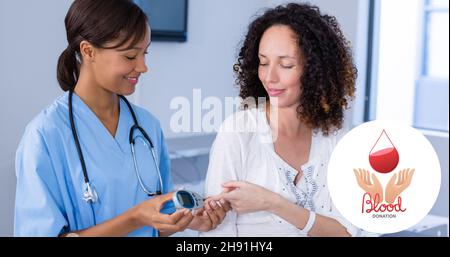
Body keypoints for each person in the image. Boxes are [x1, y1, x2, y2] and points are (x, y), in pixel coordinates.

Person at [14, 0, 229, 237]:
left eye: (144, 53)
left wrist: (188, 220)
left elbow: (157, 222)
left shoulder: (148, 127)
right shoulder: (45, 135)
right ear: (88, 51)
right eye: (130, 56)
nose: (143, 66)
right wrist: (135, 218)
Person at [200, 3, 360, 237]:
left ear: (315, 69)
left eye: (286, 65)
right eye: (263, 63)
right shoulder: (239, 132)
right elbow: (216, 232)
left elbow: (347, 232)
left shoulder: (334, 135)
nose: (269, 76)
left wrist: (273, 203)